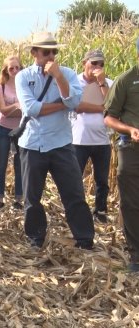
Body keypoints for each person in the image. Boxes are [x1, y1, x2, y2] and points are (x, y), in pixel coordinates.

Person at [15, 31, 95, 250]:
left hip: (61, 143)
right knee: (32, 198)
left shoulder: (67, 74)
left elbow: (76, 100)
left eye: (54, 51)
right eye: (45, 51)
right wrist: (62, 104)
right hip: (32, 144)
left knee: (74, 194)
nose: (50, 55)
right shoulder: (22, 77)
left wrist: (58, 77)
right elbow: (31, 109)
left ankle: (84, 239)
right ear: (34, 53)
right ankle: (35, 239)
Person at [103, 37, 139, 272]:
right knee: (132, 203)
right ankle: (136, 255)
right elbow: (109, 117)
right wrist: (130, 129)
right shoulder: (126, 80)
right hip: (131, 149)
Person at [72, 49, 113, 224]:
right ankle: (76, 210)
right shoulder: (74, 82)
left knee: (102, 180)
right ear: (84, 63)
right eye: (94, 63)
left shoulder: (108, 83)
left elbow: (112, 105)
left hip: (102, 140)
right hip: (78, 140)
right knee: (75, 177)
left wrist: (102, 83)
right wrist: (101, 108)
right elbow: (77, 106)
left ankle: (100, 211)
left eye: (101, 64)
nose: (97, 67)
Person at [0, 55, 23, 210]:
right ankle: (0, 198)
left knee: (20, 164)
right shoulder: (0, 87)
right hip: (3, 129)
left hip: (21, 129)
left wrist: (13, 108)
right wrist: (18, 105)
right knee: (1, 163)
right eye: (11, 68)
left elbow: (28, 110)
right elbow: (3, 111)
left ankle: (18, 199)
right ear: (6, 69)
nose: (15, 70)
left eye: (17, 67)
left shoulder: (25, 86)